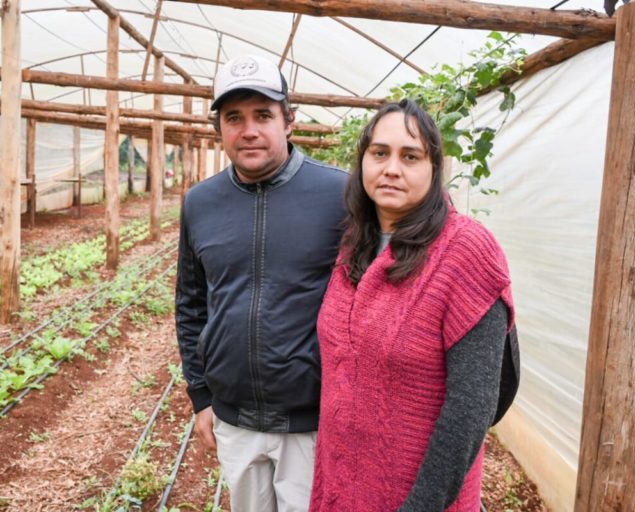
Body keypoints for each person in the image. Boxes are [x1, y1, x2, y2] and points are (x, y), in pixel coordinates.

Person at [310, 99, 516, 512]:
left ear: (435, 167)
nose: (391, 168)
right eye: (379, 153)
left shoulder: (466, 252)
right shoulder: (355, 245)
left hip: (418, 496)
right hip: (343, 479)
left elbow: (471, 408)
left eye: (410, 156)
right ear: (363, 160)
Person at [174, 54, 347, 512]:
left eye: (263, 115)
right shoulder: (200, 203)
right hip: (235, 420)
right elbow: (191, 305)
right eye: (234, 117)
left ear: (289, 121)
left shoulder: (341, 196)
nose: (249, 129)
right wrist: (201, 396)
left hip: (314, 422)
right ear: (220, 129)